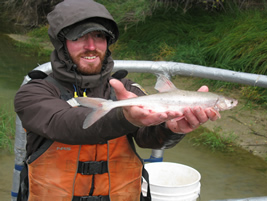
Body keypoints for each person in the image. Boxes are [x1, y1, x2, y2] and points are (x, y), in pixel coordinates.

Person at [14, 0, 218, 200]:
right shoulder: (34, 93)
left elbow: (146, 137)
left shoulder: (126, 89)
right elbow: (62, 123)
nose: (91, 46)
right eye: (79, 37)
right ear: (62, 44)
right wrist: (124, 117)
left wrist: (171, 129)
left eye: (99, 36)